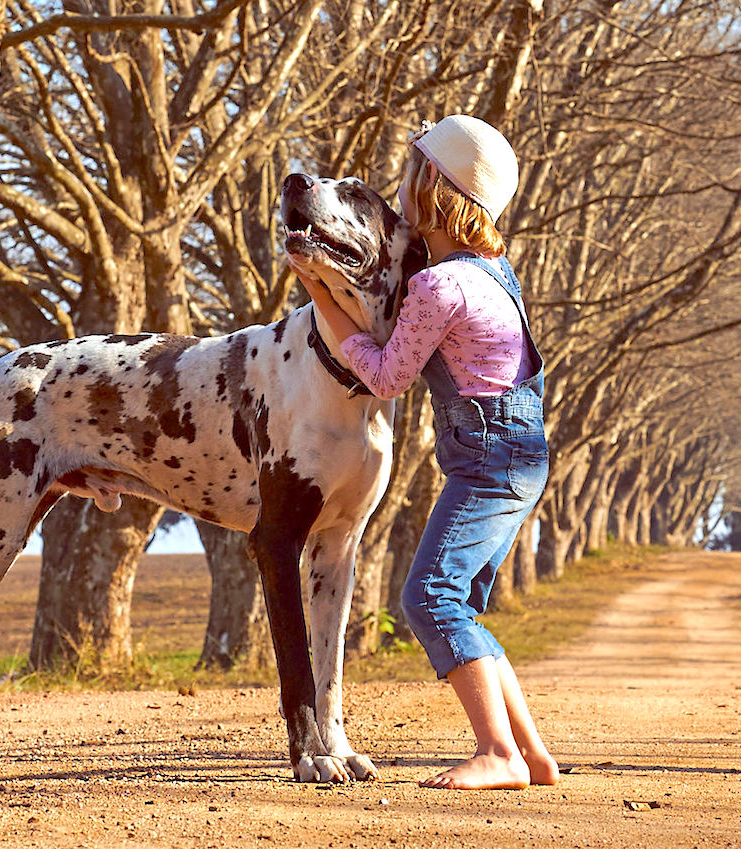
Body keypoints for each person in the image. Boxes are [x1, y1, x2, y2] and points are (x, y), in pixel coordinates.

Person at [292, 115, 556, 790]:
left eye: (412, 172)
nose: (400, 186)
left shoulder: (441, 287)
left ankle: (497, 752)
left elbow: (385, 376)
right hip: (519, 454)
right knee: (459, 604)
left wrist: (325, 300)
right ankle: (529, 751)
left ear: (432, 189)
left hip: (488, 461)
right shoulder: (495, 271)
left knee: (429, 597)